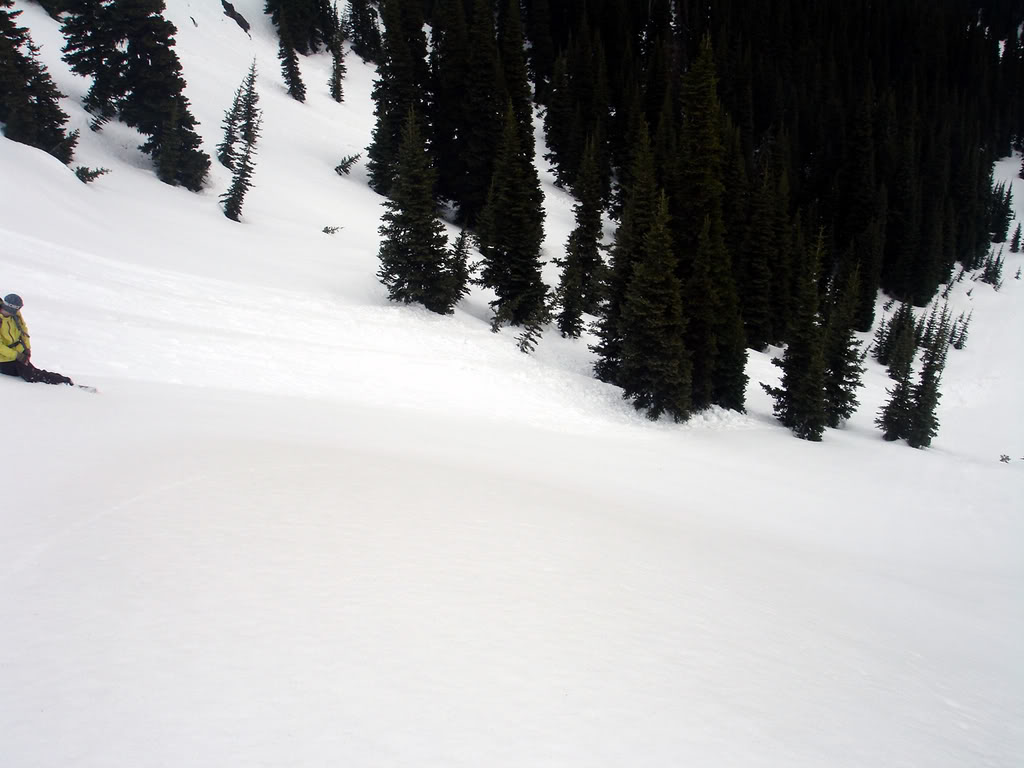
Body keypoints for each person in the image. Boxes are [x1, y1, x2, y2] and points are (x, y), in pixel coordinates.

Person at [0, 293, 74, 386]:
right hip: (3, 359)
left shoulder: (15, 314)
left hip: (17, 353)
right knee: (31, 376)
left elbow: (23, 330)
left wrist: (27, 349)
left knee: (31, 373)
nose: (12, 313)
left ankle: (61, 381)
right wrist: (17, 356)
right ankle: (63, 381)